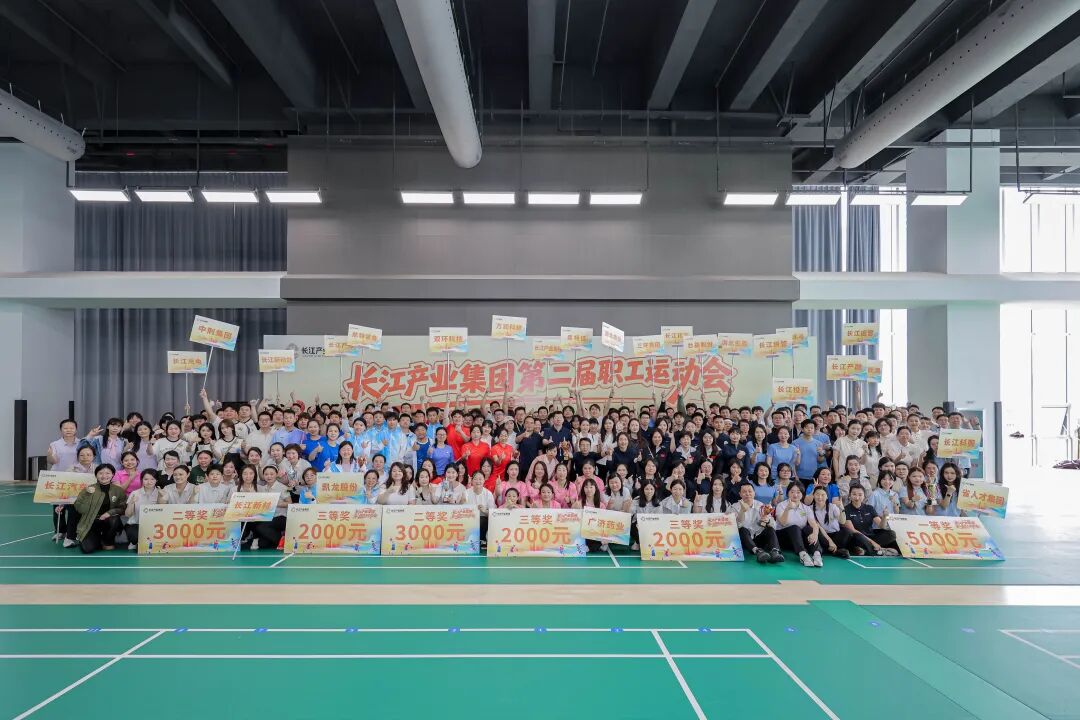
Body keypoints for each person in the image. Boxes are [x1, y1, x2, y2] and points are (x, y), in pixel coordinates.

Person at [70, 464, 127, 554]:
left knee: (114, 519)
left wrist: (109, 513)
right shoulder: (88, 489)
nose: (104, 476)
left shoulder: (118, 490)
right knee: (87, 549)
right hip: (90, 523)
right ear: (96, 475)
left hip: (108, 521)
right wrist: (87, 494)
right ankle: (97, 537)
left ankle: (107, 541)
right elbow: (80, 509)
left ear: (112, 474)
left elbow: (123, 508)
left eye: (107, 473)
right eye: (100, 473)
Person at [727, 482, 783, 564]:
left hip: (758, 538)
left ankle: (775, 551)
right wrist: (742, 511)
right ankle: (758, 552)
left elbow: (774, 525)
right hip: (743, 540)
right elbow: (734, 527)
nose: (747, 494)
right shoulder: (734, 507)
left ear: (754, 493)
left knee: (770, 529)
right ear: (740, 494)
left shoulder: (761, 506)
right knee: (742, 529)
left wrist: (767, 521)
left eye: (750, 491)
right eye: (744, 492)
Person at [774, 483, 822, 567]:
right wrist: (787, 509)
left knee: (809, 529)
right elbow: (783, 523)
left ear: (802, 494)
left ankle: (817, 554)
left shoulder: (806, 508)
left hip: (798, 540)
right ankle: (803, 554)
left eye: (798, 492)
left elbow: (814, 524)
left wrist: (815, 534)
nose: (795, 495)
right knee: (795, 527)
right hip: (783, 538)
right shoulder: (781, 505)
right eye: (792, 492)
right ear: (788, 493)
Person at [843, 486, 899, 556]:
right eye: (854, 494)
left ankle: (866, 549)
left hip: (871, 536)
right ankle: (878, 551)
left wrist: (885, 516)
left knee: (891, 534)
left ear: (864, 496)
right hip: (858, 537)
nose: (857, 497)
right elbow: (853, 530)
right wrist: (873, 543)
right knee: (857, 537)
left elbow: (882, 526)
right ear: (849, 495)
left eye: (860, 495)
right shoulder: (846, 509)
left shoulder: (869, 508)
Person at [124, 469, 161, 550]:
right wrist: (131, 503)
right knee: (135, 537)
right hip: (135, 524)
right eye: (146, 479)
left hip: (154, 526)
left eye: (152, 479)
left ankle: (141, 543)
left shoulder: (160, 493)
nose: (149, 482)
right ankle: (135, 542)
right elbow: (127, 514)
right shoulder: (135, 493)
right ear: (141, 480)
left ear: (156, 480)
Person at [810, 486, 850, 559]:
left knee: (846, 531)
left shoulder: (833, 507)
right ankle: (834, 550)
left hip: (834, 534)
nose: (820, 497)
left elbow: (842, 521)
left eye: (823, 495)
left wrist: (841, 508)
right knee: (812, 532)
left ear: (827, 497)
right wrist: (830, 541)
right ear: (813, 496)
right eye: (817, 494)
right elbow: (819, 527)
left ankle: (831, 549)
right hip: (822, 535)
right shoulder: (810, 509)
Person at [465, 470, 497, 543]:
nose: (478, 481)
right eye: (475, 479)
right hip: (469, 520)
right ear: (472, 480)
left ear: (484, 480)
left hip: (484, 521)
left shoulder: (488, 494)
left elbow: (494, 514)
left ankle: (482, 541)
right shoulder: (466, 493)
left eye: (480, 479)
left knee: (482, 521)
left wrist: (485, 511)